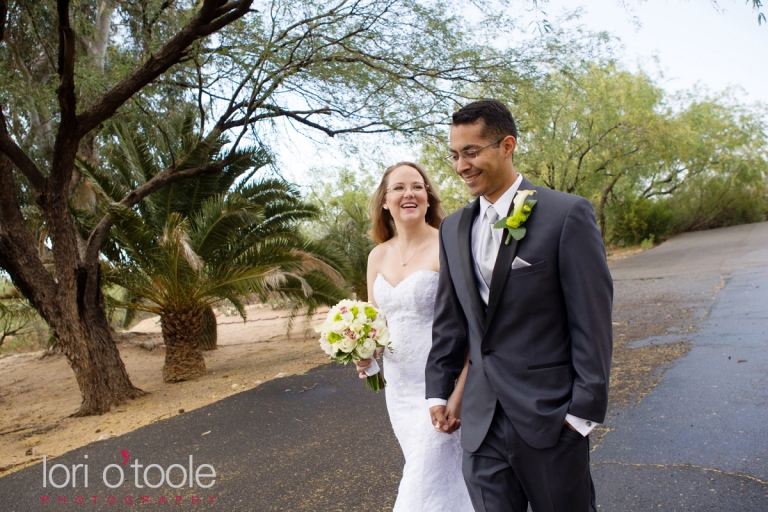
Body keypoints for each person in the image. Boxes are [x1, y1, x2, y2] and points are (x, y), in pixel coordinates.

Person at [425, 100, 613, 512]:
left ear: (507, 145)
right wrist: (437, 392)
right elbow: (452, 320)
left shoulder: (566, 214)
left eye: (472, 152)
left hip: (550, 419)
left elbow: (592, 322)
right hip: (480, 426)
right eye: (454, 155)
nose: (461, 166)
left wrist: (580, 415)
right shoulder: (454, 227)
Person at [354, 162, 474, 512]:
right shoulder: (377, 255)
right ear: (385, 201)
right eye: (399, 188)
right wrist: (363, 353)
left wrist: (460, 391)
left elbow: (470, 327)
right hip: (399, 389)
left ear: (428, 197)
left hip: (441, 384)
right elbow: (377, 327)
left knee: (422, 480)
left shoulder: (448, 246)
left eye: (418, 186)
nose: (409, 193)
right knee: (441, 480)